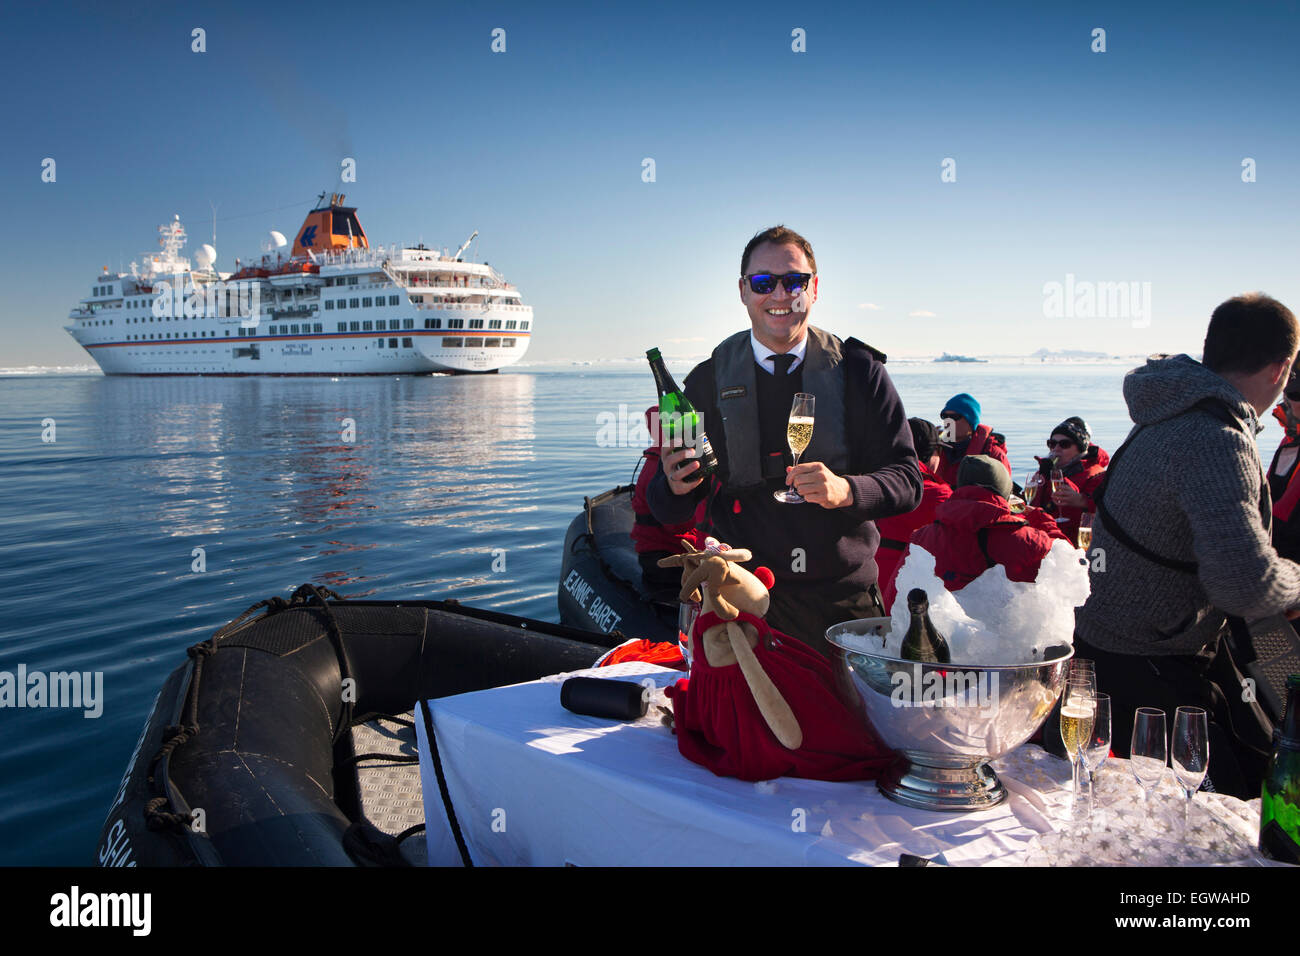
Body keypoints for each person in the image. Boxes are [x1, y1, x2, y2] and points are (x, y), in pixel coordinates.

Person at [648, 225, 922, 658]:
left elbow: (908, 481)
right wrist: (673, 486)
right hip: (738, 600)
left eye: (794, 281)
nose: (780, 294)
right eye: (764, 282)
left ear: (813, 289)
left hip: (843, 607)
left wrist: (847, 489)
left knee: (845, 726)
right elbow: (666, 507)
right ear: (743, 290)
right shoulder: (706, 380)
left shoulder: (859, 372)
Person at [1075, 293, 1300, 798]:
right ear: (1281, 368)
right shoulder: (1218, 438)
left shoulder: (1168, 412)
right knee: (1225, 804)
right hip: (1147, 661)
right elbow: (1244, 584)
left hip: (1108, 643)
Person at [885, 455, 1068, 608]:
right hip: (1007, 645)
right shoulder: (1027, 540)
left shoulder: (922, 537)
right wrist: (1039, 517)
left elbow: (893, 597)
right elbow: (1069, 564)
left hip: (938, 643)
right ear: (1004, 493)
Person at [875, 418, 953, 611]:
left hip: (870, 585)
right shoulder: (937, 495)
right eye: (940, 452)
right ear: (932, 453)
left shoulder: (876, 480)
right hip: (903, 592)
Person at [631, 406, 704, 591]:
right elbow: (674, 522)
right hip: (667, 559)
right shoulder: (667, 470)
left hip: (655, 552)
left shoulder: (652, 460)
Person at [1030, 416, 1109, 544]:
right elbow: (1030, 504)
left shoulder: (1097, 476)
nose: (1056, 449)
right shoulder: (1045, 472)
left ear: (1080, 448)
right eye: (1052, 444)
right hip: (1042, 540)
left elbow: (1110, 510)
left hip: (1076, 546)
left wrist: (1082, 501)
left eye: (1064, 444)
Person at [935, 393, 1011, 486]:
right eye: (945, 416)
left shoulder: (993, 454)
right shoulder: (935, 450)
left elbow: (1002, 493)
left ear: (971, 422)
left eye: (955, 417)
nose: (948, 422)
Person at [1266, 376, 1300, 563]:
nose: (1287, 400)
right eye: (1288, 393)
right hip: (1274, 561)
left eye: (1295, 395)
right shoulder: (1288, 442)